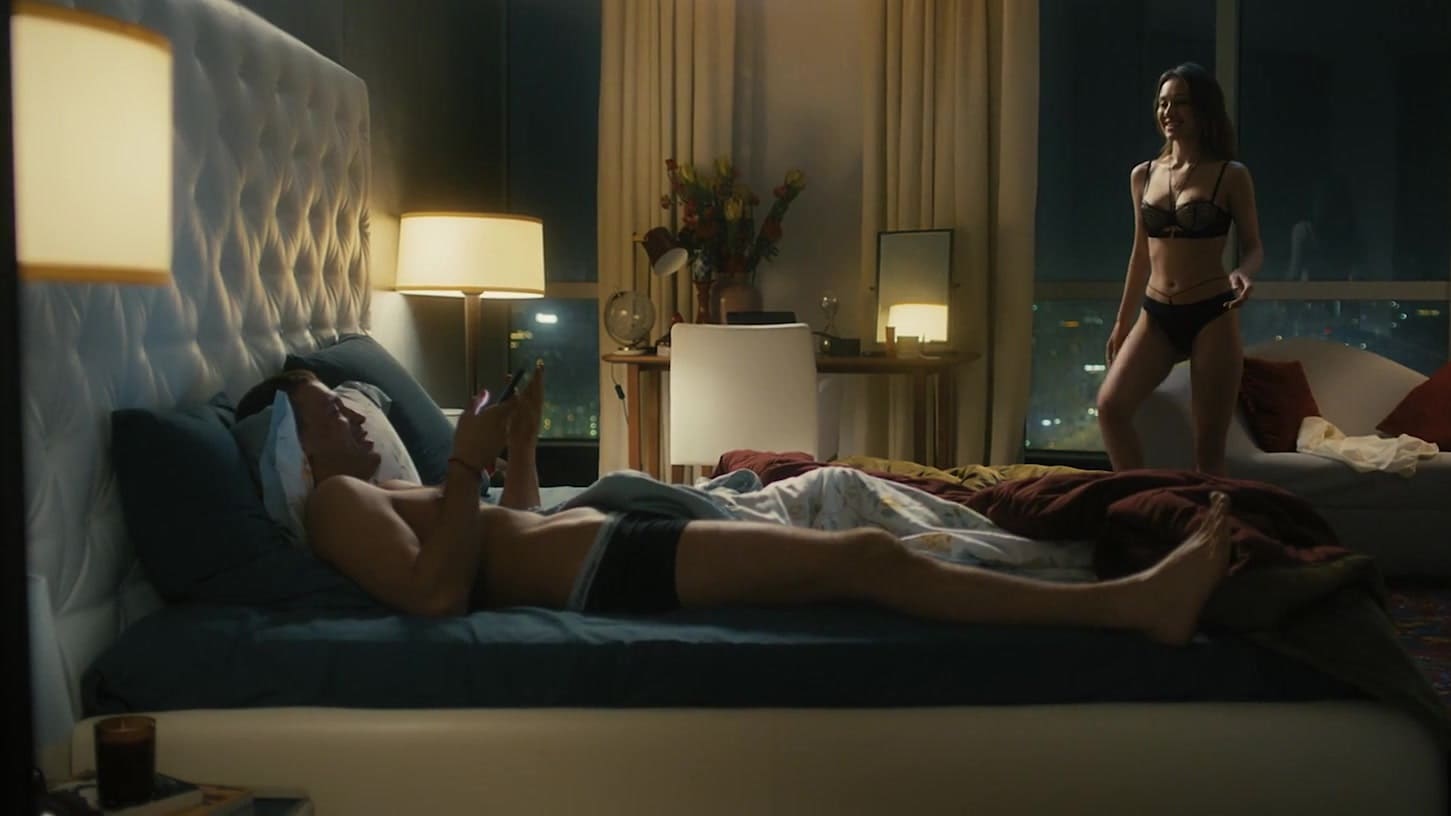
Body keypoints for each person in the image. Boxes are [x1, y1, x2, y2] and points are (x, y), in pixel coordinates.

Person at [237, 362, 1232, 647]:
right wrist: (462, 465)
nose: (353, 414)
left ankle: (1078, 565)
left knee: (850, 517)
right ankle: (1124, 606)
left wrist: (519, 452)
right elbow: (434, 595)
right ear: (294, 446)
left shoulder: (379, 490)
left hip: (604, 543)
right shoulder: (334, 503)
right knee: (864, 564)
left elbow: (508, 528)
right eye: (327, 409)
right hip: (609, 570)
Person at [1097, 62, 1264, 475]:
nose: (1168, 112)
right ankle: (1142, 503)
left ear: (1203, 108)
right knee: (1111, 408)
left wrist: (1244, 273)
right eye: (1162, 103)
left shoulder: (1230, 175)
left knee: (1208, 448)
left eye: (1180, 103)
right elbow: (1140, 254)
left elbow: (1254, 246)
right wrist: (1122, 323)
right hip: (1157, 313)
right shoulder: (1143, 175)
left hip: (1212, 312)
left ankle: (1212, 515)